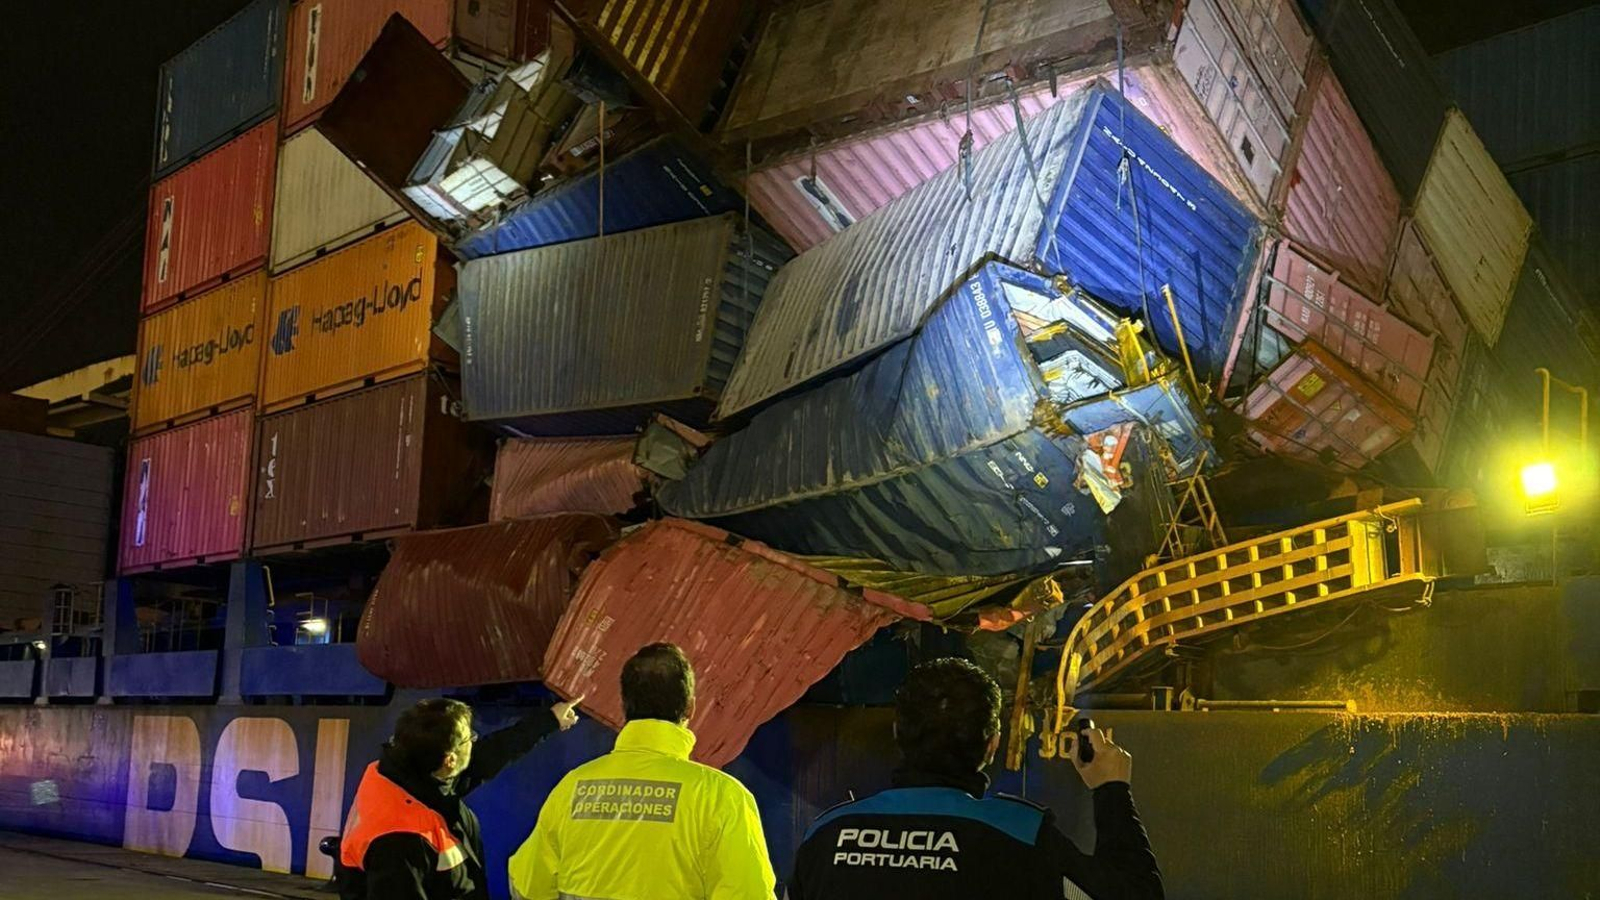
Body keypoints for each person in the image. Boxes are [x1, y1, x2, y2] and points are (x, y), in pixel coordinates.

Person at [787, 657, 1163, 900]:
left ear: (898, 732)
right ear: (992, 744)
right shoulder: (1023, 836)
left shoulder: (826, 834)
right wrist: (1111, 789)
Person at [508, 642, 776, 900]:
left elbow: (528, 887)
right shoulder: (721, 798)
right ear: (691, 707)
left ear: (625, 705)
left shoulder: (572, 788)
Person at [337, 695, 582, 900]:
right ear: (449, 760)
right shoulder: (401, 840)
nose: (475, 742)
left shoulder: (411, 775)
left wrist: (549, 720)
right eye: (469, 739)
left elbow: (489, 756)